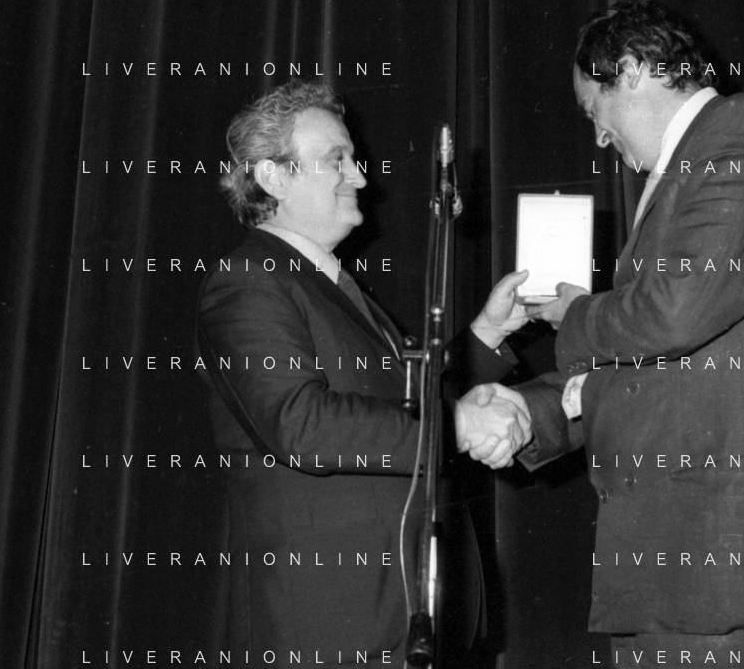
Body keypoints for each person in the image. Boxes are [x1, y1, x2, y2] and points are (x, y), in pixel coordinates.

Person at [462, 0, 744, 667]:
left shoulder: (742, 128)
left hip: (730, 569)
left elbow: (676, 312)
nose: (598, 136)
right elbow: (652, 368)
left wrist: (575, 314)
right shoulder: (689, 166)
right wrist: (531, 412)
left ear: (632, 69)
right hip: (682, 576)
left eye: (593, 108)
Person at [196, 80, 532, 665]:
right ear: (273, 177)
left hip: (392, 618)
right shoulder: (249, 281)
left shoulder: (330, 285)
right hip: (329, 627)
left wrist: (486, 334)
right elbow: (302, 423)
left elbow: (400, 403)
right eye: (337, 160)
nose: (360, 176)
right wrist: (456, 425)